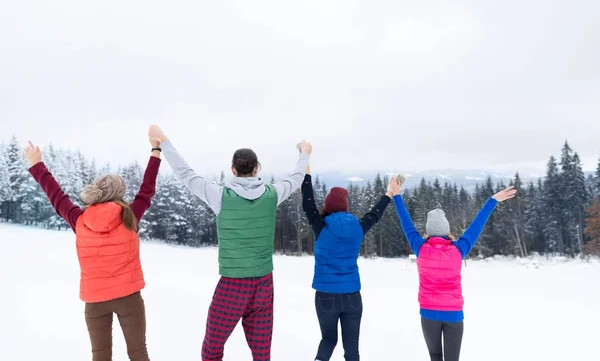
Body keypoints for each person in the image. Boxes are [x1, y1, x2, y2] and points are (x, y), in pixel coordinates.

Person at [147, 125, 310, 361]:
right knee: (261, 353)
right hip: (264, 283)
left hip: (233, 285)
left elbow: (186, 174)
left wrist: (164, 142)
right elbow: (296, 177)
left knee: (212, 349)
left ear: (233, 169)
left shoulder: (219, 196)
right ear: (256, 169)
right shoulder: (272, 194)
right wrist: (304, 153)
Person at [23, 137, 163, 361]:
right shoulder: (130, 215)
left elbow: (56, 196)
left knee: (100, 355)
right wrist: (156, 151)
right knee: (138, 352)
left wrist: (36, 164)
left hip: (95, 301)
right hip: (128, 297)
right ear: (119, 194)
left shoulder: (78, 219)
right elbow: (147, 190)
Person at [392, 179, 517, 361]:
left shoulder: (420, 247)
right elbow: (477, 225)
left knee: (435, 357)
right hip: (453, 314)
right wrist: (492, 201)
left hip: (428, 313)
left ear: (428, 231)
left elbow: (406, 223)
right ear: (447, 229)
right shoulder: (459, 249)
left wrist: (396, 195)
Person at [301, 165, 401, 361]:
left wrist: (306, 169)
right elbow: (375, 214)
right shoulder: (357, 227)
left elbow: (308, 202)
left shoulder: (320, 227)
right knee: (352, 350)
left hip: (326, 296)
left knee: (328, 340)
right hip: (352, 297)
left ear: (327, 207)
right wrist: (389, 193)